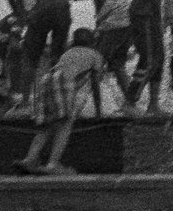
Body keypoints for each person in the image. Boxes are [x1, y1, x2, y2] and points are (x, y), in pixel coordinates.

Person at [17, 29, 109, 174]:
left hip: (47, 79)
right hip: (65, 81)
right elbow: (95, 85)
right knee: (65, 124)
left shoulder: (68, 52)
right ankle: (52, 165)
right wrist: (98, 111)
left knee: (47, 124)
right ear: (93, 42)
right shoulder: (95, 55)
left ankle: (30, 159)